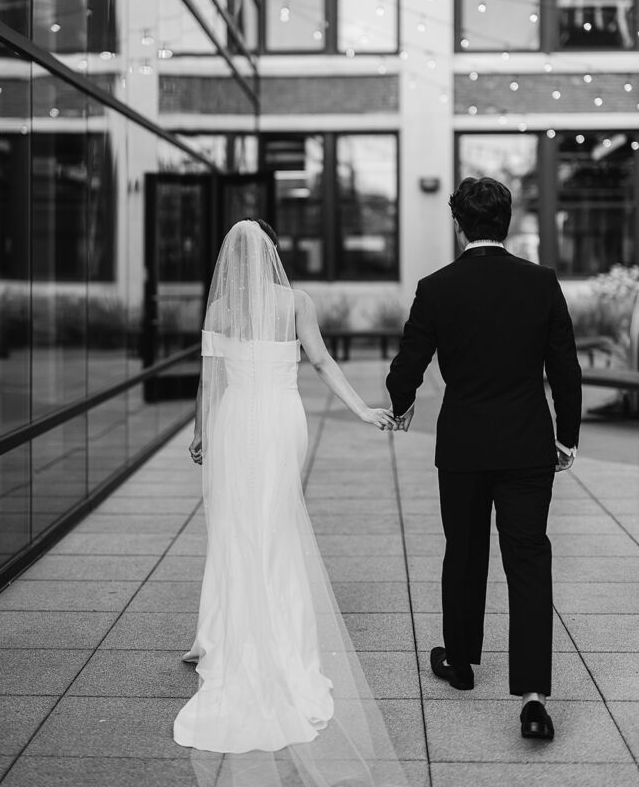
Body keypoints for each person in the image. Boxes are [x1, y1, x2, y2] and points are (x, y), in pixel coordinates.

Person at [174, 219, 406, 783]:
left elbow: (209, 381)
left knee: (232, 523)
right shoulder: (297, 300)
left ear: (233, 261)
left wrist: (202, 431)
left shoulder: (221, 308)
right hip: (280, 420)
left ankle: (218, 635)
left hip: (234, 421)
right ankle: (278, 633)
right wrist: (363, 409)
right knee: (275, 524)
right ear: (274, 255)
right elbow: (322, 363)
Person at [386, 177, 582, 741]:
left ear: (459, 225)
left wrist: (399, 408)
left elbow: (408, 366)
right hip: (526, 444)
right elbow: (563, 370)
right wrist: (565, 438)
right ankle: (533, 697)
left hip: (465, 445)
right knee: (528, 562)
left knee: (465, 551)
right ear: (507, 221)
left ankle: (462, 662)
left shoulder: (437, 287)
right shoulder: (541, 283)